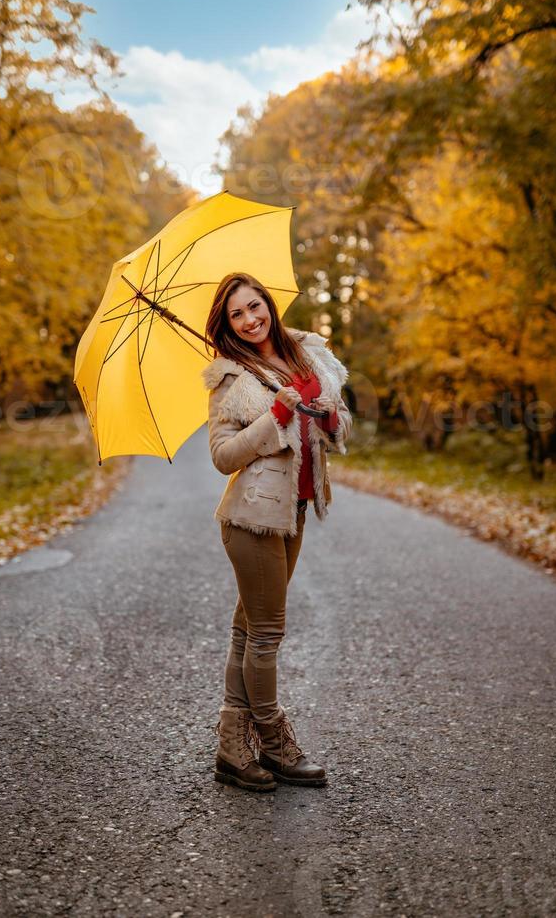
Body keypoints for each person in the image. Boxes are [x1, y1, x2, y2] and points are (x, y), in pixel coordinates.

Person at [201, 272, 353, 792]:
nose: (249, 320)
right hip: (253, 519)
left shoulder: (308, 354)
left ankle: (231, 748)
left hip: (295, 511)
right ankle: (274, 741)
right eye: (236, 315)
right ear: (227, 326)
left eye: (254, 306)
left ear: (269, 303)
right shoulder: (231, 379)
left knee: (248, 630)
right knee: (266, 634)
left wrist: (331, 418)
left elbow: (338, 426)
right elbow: (223, 457)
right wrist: (274, 415)